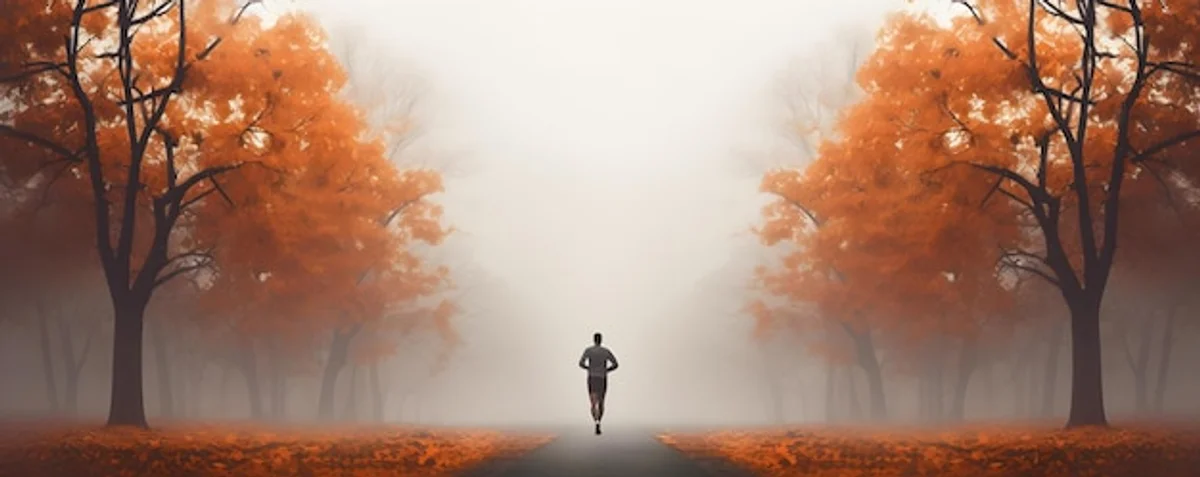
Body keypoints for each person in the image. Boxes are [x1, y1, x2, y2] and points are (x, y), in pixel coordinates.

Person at [578, 332, 618, 435]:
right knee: (601, 402)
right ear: (601, 340)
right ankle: (599, 421)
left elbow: (581, 363)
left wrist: (589, 368)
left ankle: (595, 421)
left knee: (593, 402)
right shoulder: (606, 351)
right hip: (602, 377)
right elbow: (615, 364)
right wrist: (606, 370)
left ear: (593, 340)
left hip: (592, 377)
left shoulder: (589, 350)